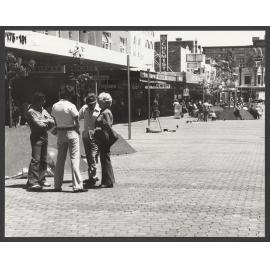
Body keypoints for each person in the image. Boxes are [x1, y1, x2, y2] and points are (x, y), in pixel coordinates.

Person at [51, 85, 87, 193]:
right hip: (71, 132)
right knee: (74, 159)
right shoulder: (71, 105)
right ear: (69, 95)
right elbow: (76, 121)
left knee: (60, 160)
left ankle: (57, 185)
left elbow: (55, 121)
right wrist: (77, 129)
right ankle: (77, 185)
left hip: (60, 132)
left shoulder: (55, 106)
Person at [25, 92, 55, 191]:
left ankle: (41, 179)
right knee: (36, 159)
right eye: (42, 101)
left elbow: (52, 121)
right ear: (37, 101)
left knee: (43, 159)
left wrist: (44, 121)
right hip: (36, 136)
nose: (44, 102)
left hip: (44, 136)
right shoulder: (31, 111)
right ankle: (32, 182)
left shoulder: (43, 110)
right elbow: (39, 125)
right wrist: (46, 121)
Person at [79, 93, 101, 186]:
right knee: (89, 157)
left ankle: (93, 176)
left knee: (93, 156)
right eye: (89, 104)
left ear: (95, 102)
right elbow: (77, 117)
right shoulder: (84, 108)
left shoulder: (100, 109)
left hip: (95, 136)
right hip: (86, 136)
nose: (90, 106)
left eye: (92, 104)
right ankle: (92, 177)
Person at [94, 92, 115, 188]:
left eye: (100, 102)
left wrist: (100, 127)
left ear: (105, 102)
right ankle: (107, 180)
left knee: (105, 158)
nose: (98, 104)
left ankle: (108, 181)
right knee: (104, 158)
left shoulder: (106, 112)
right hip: (103, 136)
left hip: (104, 137)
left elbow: (108, 125)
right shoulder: (105, 111)